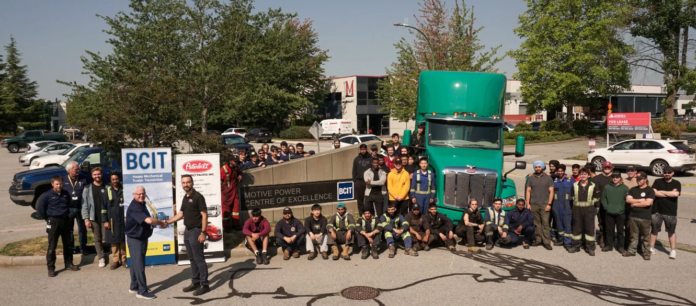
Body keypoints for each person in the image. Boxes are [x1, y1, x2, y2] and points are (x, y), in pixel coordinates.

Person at [165, 175, 210, 296]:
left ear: (192, 183)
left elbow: (204, 215)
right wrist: (168, 222)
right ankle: (195, 282)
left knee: (199, 259)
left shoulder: (198, 197)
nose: (186, 184)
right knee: (192, 259)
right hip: (187, 231)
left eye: (188, 182)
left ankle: (205, 284)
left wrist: (203, 232)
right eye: (183, 183)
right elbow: (181, 214)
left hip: (196, 231)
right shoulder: (185, 197)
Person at [125, 186, 167, 299]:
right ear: (133, 195)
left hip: (141, 237)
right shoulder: (135, 207)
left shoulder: (142, 204)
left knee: (135, 264)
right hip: (135, 239)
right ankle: (142, 291)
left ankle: (134, 286)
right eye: (138, 194)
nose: (141, 196)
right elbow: (148, 220)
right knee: (139, 265)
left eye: (143, 194)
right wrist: (161, 223)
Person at [38, 175, 80, 277]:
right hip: (53, 221)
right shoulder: (47, 195)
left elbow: (69, 204)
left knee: (68, 244)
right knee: (52, 246)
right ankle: (51, 268)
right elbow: (41, 209)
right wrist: (48, 219)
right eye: (57, 184)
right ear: (52, 184)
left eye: (60, 184)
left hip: (65, 220)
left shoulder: (65, 193)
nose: (59, 186)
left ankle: (69, 263)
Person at [650, 166, 681, 259]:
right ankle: (651, 248)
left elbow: (676, 194)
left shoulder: (677, 183)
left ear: (672, 173)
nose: (666, 174)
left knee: (671, 231)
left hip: (670, 212)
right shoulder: (657, 181)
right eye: (665, 172)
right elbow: (654, 193)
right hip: (656, 211)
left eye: (668, 172)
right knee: (654, 230)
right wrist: (669, 193)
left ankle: (673, 250)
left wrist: (661, 192)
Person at [568, 168, 600, 256]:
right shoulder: (574, 185)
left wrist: (594, 206)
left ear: (588, 175)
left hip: (589, 210)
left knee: (589, 229)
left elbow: (597, 197)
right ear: (579, 175)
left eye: (585, 174)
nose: (583, 176)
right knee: (577, 228)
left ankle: (590, 248)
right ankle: (576, 246)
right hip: (577, 210)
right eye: (581, 174)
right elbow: (572, 196)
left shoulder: (593, 185)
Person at [624, 172, 655, 260]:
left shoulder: (650, 190)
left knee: (646, 236)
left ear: (645, 179)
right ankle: (632, 250)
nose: (638, 181)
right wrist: (641, 200)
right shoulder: (633, 189)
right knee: (633, 235)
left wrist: (634, 204)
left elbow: (648, 203)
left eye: (640, 179)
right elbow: (628, 200)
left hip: (645, 217)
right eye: (637, 179)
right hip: (633, 216)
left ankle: (646, 253)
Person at [525, 160, 554, 250]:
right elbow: (528, 191)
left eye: (539, 166)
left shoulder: (548, 178)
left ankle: (546, 242)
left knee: (545, 223)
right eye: (536, 167)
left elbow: (551, 191)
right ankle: (538, 240)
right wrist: (528, 203)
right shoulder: (531, 178)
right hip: (534, 204)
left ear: (542, 168)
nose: (537, 168)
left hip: (545, 204)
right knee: (536, 224)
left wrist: (549, 204)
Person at [81, 167, 107, 267]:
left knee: (108, 237)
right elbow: (84, 205)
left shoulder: (107, 187)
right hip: (94, 218)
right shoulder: (87, 189)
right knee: (97, 238)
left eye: (99, 174)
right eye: (95, 174)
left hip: (106, 218)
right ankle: (101, 258)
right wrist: (86, 219)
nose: (97, 176)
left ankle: (114, 256)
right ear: (92, 176)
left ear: (102, 174)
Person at [102, 172, 126, 270]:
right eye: (113, 179)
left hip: (123, 219)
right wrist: (105, 220)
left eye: (116, 179)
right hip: (112, 220)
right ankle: (115, 261)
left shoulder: (124, 189)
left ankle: (124, 259)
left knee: (123, 240)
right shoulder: (107, 191)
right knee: (114, 241)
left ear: (119, 179)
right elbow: (103, 207)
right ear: (110, 180)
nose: (115, 181)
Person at [601, 171, 629, 253]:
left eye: (617, 177)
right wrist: (606, 207)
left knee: (620, 230)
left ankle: (620, 246)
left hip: (620, 213)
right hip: (609, 212)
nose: (615, 179)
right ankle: (609, 245)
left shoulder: (625, 188)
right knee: (609, 230)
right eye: (613, 177)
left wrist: (622, 208)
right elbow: (603, 198)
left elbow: (626, 200)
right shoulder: (607, 187)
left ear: (620, 178)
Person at [592, 161, 614, 249]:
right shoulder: (597, 179)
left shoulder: (615, 177)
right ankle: (602, 237)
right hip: (600, 204)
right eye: (605, 167)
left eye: (609, 167)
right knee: (602, 222)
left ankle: (610, 238)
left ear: (611, 168)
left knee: (610, 223)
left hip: (612, 204)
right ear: (602, 168)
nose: (607, 169)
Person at [551, 164, 573, 248]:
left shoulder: (569, 179)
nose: (560, 172)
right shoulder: (554, 179)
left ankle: (567, 242)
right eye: (559, 171)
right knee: (559, 223)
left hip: (567, 206)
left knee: (567, 224)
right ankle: (561, 239)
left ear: (564, 171)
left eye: (562, 171)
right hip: (556, 205)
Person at [220, 155, 242, 231]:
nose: (236, 163)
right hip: (226, 194)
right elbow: (218, 182)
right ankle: (226, 227)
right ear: (230, 161)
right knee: (226, 210)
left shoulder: (235, 168)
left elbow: (239, 172)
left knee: (236, 209)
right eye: (235, 161)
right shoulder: (223, 170)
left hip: (234, 192)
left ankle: (236, 224)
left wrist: (240, 175)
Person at [352, 144, 372, 215]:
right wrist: (355, 181)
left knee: (368, 199)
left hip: (368, 182)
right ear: (360, 150)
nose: (363, 151)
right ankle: (361, 214)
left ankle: (369, 213)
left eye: (364, 149)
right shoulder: (356, 159)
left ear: (366, 150)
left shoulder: (371, 158)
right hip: (359, 181)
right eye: (361, 149)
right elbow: (354, 171)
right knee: (360, 199)